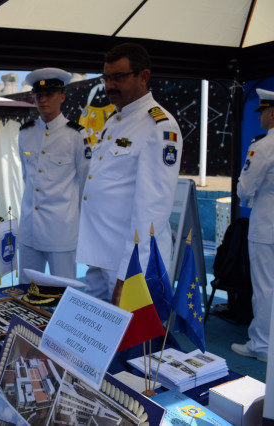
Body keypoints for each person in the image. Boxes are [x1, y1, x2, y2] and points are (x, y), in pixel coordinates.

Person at [76, 42, 183, 303]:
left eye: (119, 77)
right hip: (100, 254)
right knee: (94, 325)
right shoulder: (115, 121)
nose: (110, 85)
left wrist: (129, 274)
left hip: (128, 262)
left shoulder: (159, 126)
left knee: (132, 329)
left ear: (143, 77)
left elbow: (152, 210)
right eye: (106, 78)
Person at [18, 67, 90, 282]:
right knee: (27, 291)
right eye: (38, 95)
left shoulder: (76, 135)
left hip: (61, 232)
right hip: (30, 230)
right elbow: (26, 178)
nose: (43, 100)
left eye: (49, 94)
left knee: (63, 291)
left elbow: (86, 184)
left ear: (62, 97)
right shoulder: (25, 133)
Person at [231, 88, 274, 362]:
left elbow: (244, 190)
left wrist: (247, 193)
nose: (259, 117)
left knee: (265, 287)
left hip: (267, 227)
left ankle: (262, 346)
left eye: (263, 112)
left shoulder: (263, 146)